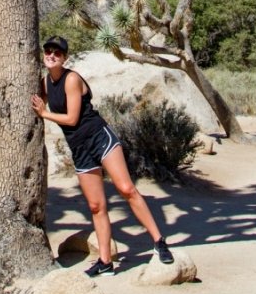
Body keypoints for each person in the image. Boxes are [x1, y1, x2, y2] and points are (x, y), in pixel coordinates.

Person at [31, 34, 174, 276]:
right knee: (96, 206)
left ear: (65, 58)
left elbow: (72, 119)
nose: (52, 56)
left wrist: (44, 114)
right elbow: (42, 101)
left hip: (99, 138)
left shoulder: (71, 79)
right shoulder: (45, 84)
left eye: (57, 53)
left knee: (126, 189)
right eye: (48, 51)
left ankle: (159, 242)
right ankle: (105, 261)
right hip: (79, 148)